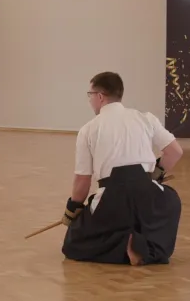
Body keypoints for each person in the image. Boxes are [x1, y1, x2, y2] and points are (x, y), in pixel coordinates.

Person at [61, 71, 183, 266]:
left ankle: (123, 244)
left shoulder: (89, 129)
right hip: (147, 192)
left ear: (100, 96)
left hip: (112, 199)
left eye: (89, 95)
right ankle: (144, 247)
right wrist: (155, 176)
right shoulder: (145, 118)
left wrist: (71, 212)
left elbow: (82, 181)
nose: (90, 100)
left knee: (73, 244)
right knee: (171, 202)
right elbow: (175, 152)